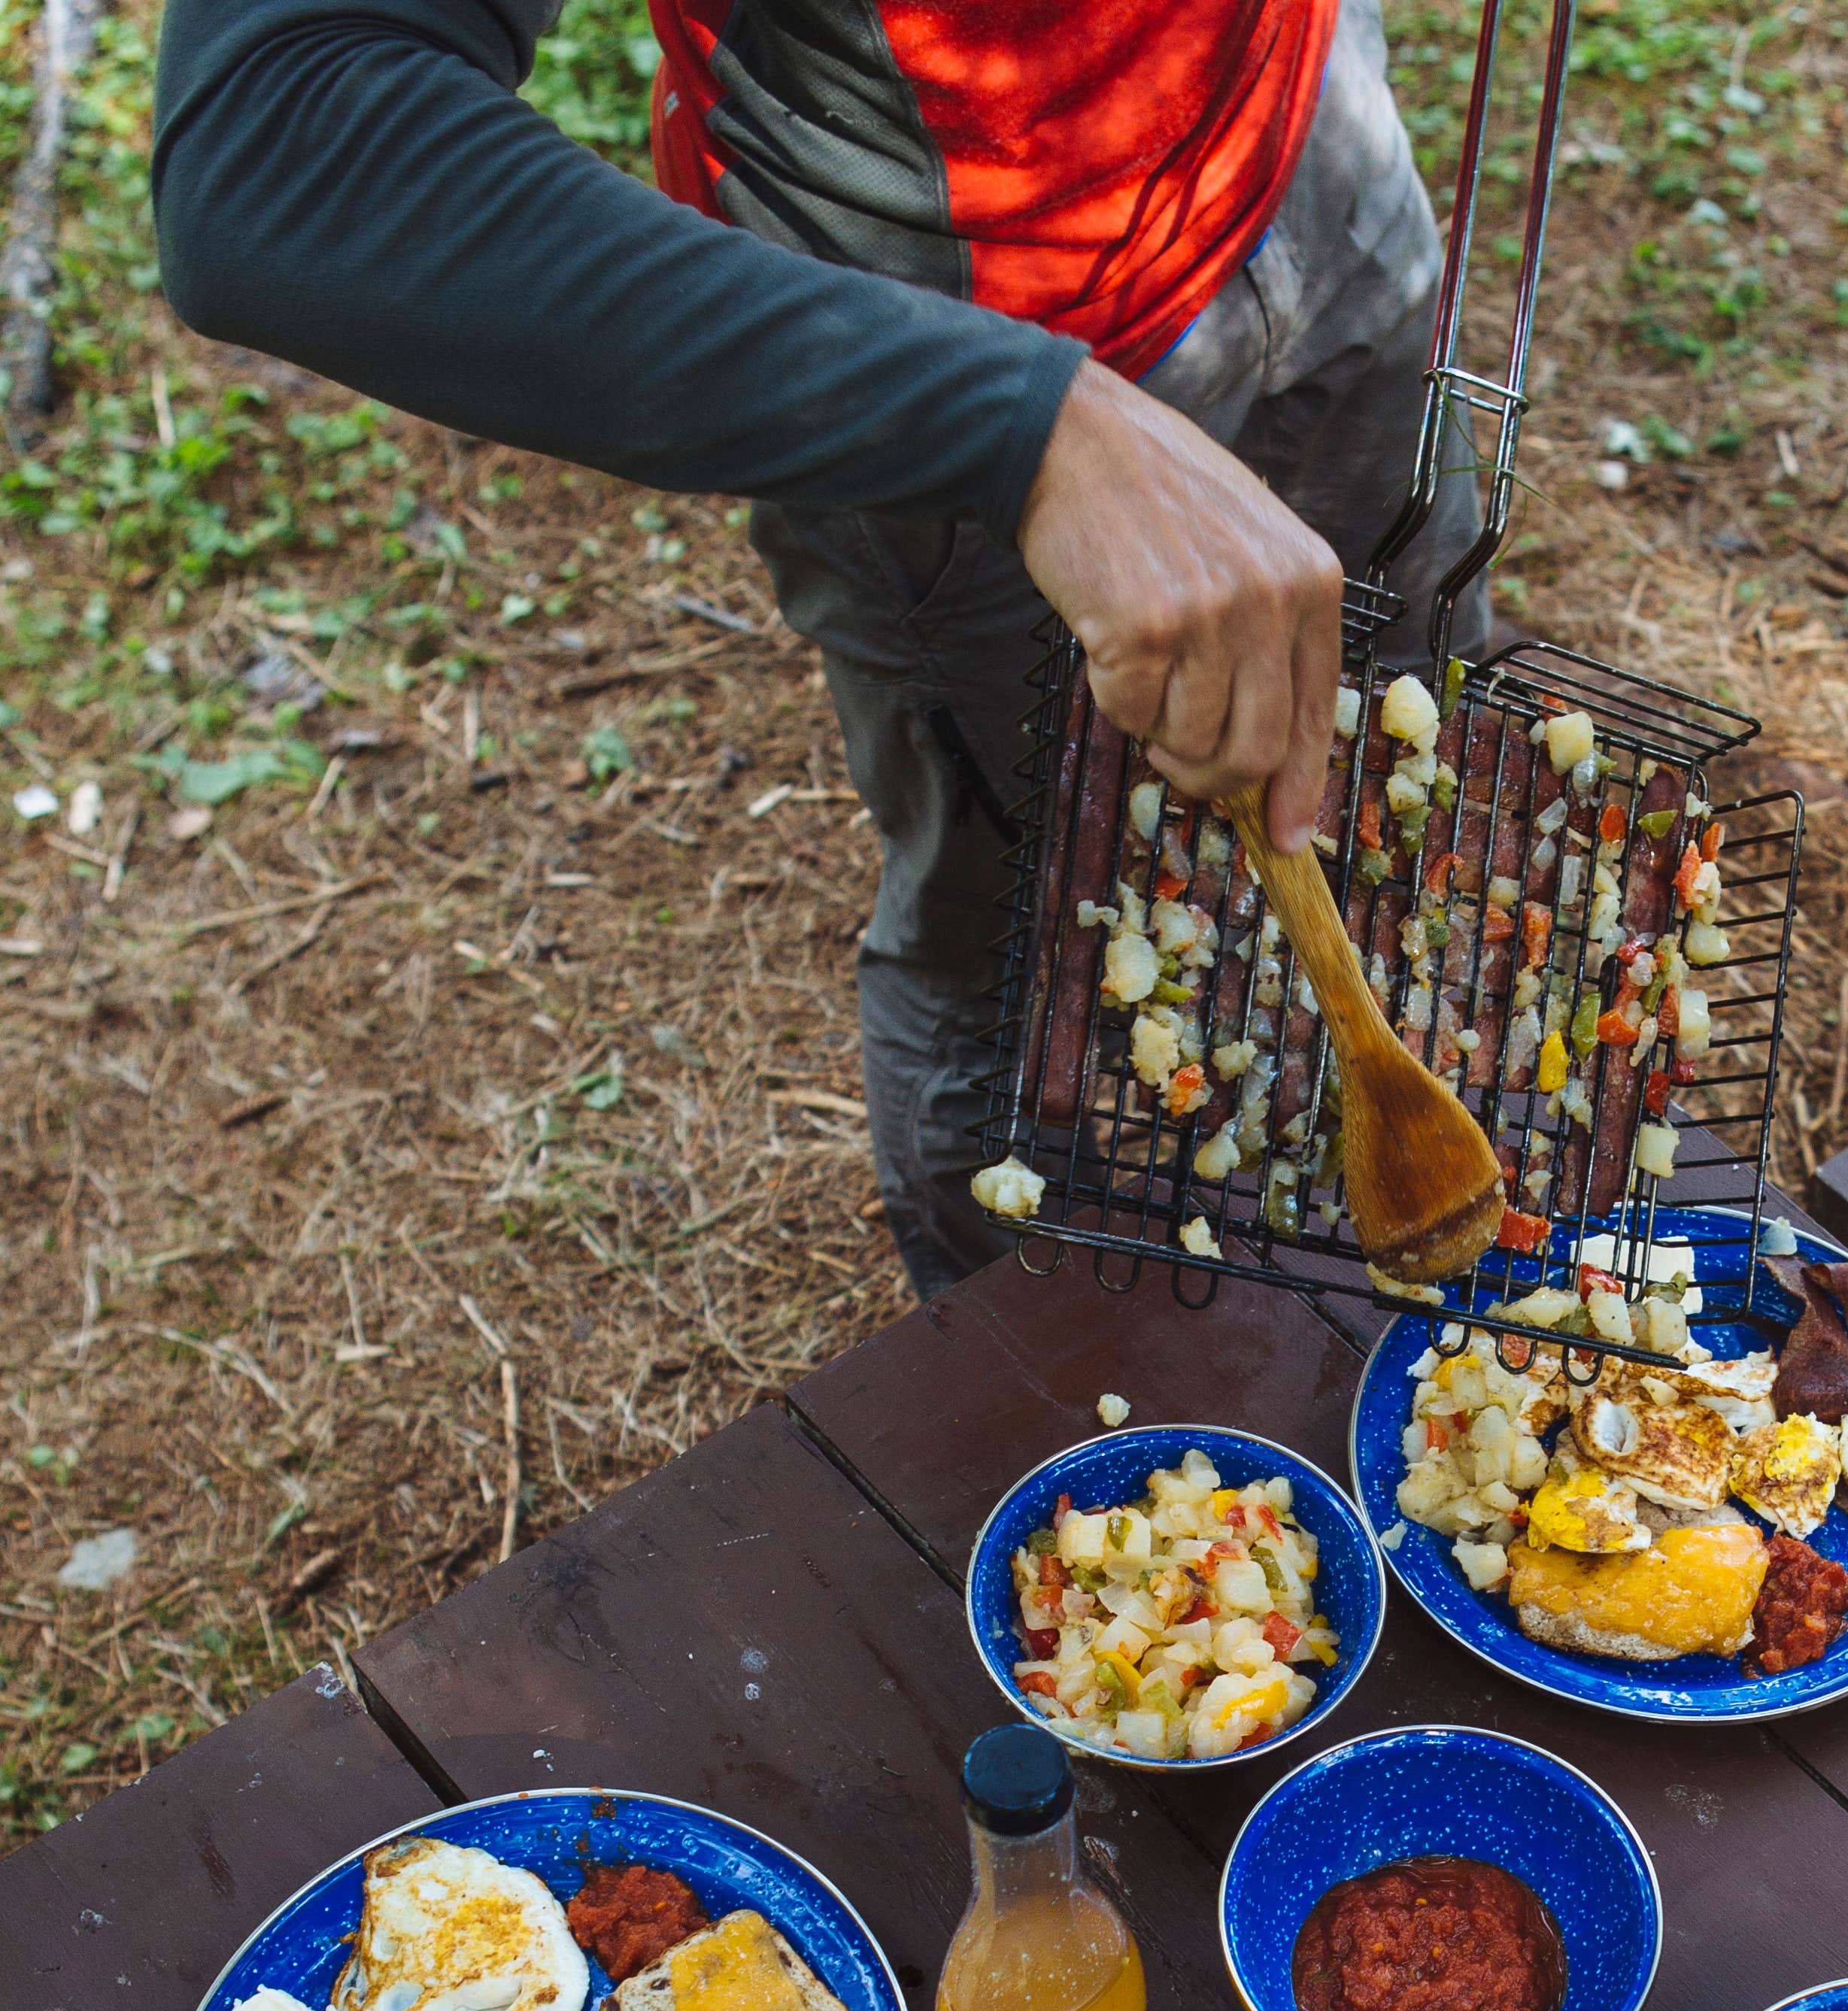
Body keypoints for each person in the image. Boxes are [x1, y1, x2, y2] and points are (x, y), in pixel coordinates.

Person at [150, 0, 1485, 1296]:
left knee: (1387, 760)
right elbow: (278, 137)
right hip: (956, 340)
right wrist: (1024, 428)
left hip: (1314, 140)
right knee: (1023, 969)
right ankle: (1025, 1378)